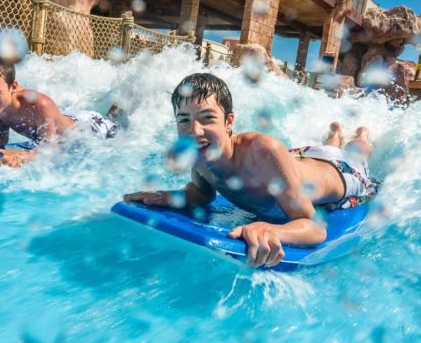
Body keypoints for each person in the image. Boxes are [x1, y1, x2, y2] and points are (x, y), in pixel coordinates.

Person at [123, 73, 380, 268]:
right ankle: (333, 136)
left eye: (207, 118)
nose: (195, 130)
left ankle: (361, 134)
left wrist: (274, 231)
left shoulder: (261, 151)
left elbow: (315, 228)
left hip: (343, 172)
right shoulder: (199, 150)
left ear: (229, 122)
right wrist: (173, 197)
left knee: (355, 152)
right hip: (298, 160)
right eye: (184, 121)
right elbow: (202, 193)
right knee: (328, 147)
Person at [0, 61, 118, 167]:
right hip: (61, 121)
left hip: (90, 127)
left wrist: (20, 155)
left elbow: (52, 151)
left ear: (13, 86)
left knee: (114, 125)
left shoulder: (38, 103)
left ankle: (119, 104)